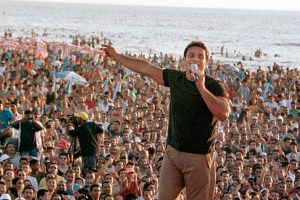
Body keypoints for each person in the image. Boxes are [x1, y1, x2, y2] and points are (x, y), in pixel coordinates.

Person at [101, 41, 230, 199]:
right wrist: (117, 56)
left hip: (199, 157)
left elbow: (223, 113)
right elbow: (146, 68)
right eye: (191, 55)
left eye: (200, 57)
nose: (195, 59)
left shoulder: (214, 85)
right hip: (173, 153)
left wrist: (201, 87)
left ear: (206, 62)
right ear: (184, 59)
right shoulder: (175, 78)